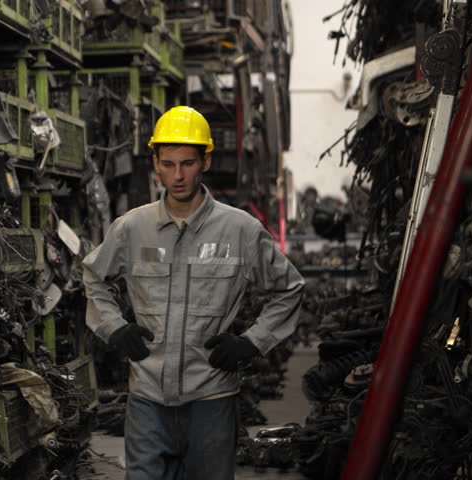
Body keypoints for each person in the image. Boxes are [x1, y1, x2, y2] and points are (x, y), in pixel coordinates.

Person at [82, 106, 305, 480]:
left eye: (187, 163)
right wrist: (115, 327)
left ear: (205, 161)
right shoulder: (132, 228)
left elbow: (290, 288)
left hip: (211, 398)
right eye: (167, 164)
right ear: (154, 163)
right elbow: (93, 277)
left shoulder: (240, 230)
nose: (178, 175)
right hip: (147, 398)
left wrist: (252, 342)